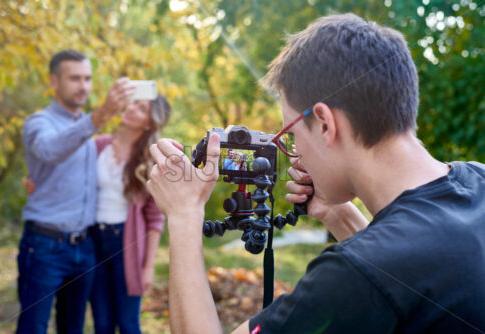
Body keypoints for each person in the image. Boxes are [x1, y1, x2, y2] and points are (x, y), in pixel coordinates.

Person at [145, 13, 485, 334]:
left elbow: (381, 275)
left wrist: (184, 215)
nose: (294, 151)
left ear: (324, 123)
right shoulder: (478, 179)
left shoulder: (350, 276)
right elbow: (405, 278)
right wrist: (337, 215)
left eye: (291, 135)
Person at [18, 49, 134, 334]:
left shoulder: (87, 131)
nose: (83, 86)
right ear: (54, 81)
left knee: (73, 328)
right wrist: (102, 114)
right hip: (45, 246)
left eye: (87, 78)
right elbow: (50, 149)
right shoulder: (39, 123)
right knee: (33, 328)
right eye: (75, 79)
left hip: (84, 247)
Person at [88, 95, 170, 333]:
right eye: (133, 103)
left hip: (127, 244)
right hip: (93, 241)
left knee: (128, 323)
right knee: (102, 323)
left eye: (141, 108)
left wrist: (148, 266)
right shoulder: (98, 146)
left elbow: (155, 219)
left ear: (149, 124)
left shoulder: (149, 160)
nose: (132, 108)